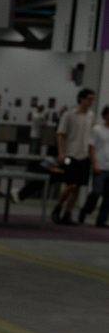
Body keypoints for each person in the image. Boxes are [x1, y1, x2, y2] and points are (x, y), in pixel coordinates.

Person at [54, 86, 98, 224]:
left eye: (93, 100)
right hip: (70, 154)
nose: (91, 102)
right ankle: (58, 207)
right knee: (70, 184)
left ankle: (68, 213)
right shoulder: (69, 114)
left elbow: (91, 136)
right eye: (89, 99)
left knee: (78, 186)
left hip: (84, 155)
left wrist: (92, 156)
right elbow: (60, 134)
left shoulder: (91, 116)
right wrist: (61, 152)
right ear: (81, 99)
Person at [81, 104, 109, 227]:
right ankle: (86, 210)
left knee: (108, 196)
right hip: (100, 165)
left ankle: (101, 220)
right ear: (105, 115)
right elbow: (91, 147)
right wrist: (95, 163)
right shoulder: (97, 129)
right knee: (96, 192)